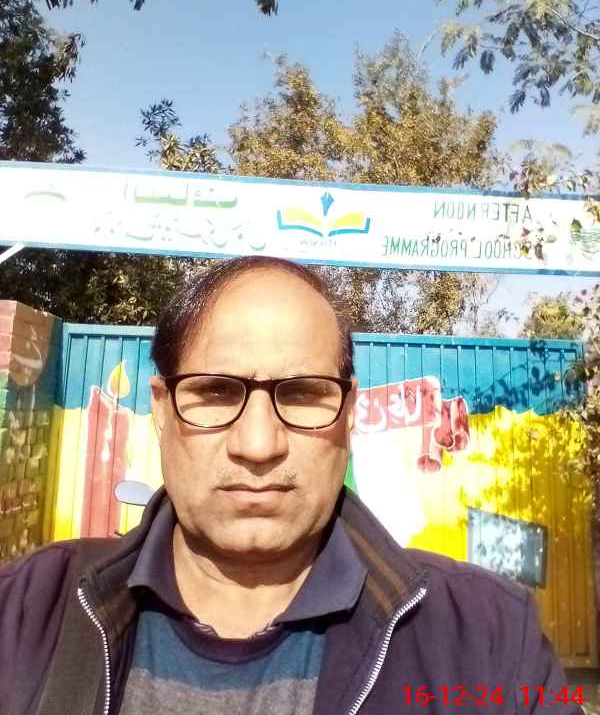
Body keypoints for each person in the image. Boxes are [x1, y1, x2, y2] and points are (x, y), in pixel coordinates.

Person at [0, 256, 582, 715]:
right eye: (215, 391)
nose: (258, 445)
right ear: (162, 408)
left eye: (303, 394)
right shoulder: (25, 613)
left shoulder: (486, 638)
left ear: (348, 415)